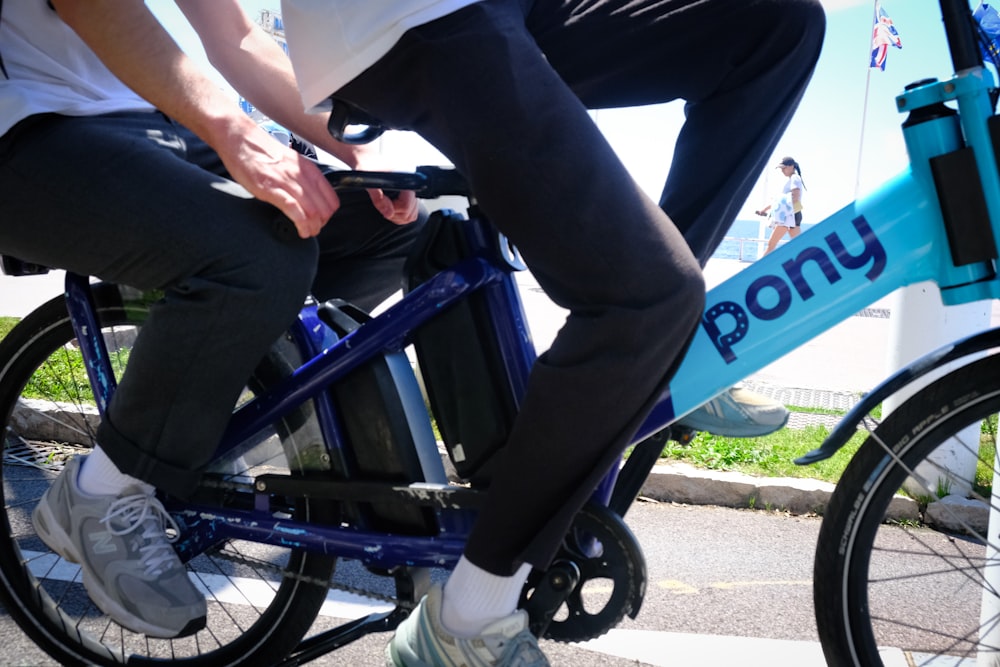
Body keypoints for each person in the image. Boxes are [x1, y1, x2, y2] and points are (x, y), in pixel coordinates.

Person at [278, 1, 826, 665]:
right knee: (645, 296)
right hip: (405, 17)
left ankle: (665, 347)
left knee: (777, 25)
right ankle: (465, 620)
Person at [0, 1, 425, 639]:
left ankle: (198, 433)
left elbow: (237, 35)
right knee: (254, 258)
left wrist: (349, 149)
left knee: (391, 232)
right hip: (29, 127)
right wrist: (231, 129)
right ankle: (100, 494)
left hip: (152, 120)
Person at [759, 156, 806, 255]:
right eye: (781, 168)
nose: (782, 171)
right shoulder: (791, 179)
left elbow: (795, 197)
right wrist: (764, 210)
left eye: (784, 168)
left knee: (771, 244)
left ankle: (757, 268)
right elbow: (780, 201)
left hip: (789, 216)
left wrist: (782, 214)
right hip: (794, 214)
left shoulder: (794, 178)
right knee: (799, 246)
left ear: (791, 166)